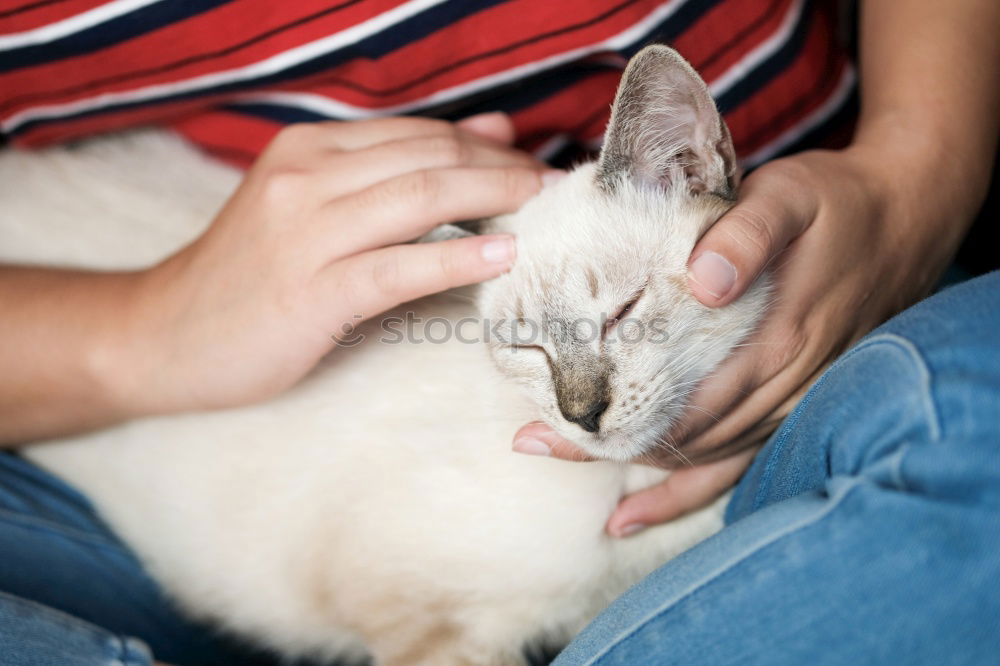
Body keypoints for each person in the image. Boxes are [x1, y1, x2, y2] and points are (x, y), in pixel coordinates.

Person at [0, 1, 997, 664]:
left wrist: (920, 171)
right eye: (534, 353)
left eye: (611, 320)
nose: (581, 406)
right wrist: (146, 328)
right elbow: (387, 589)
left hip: (844, 280)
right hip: (55, 423)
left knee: (979, 433)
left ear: (694, 169)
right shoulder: (522, 475)